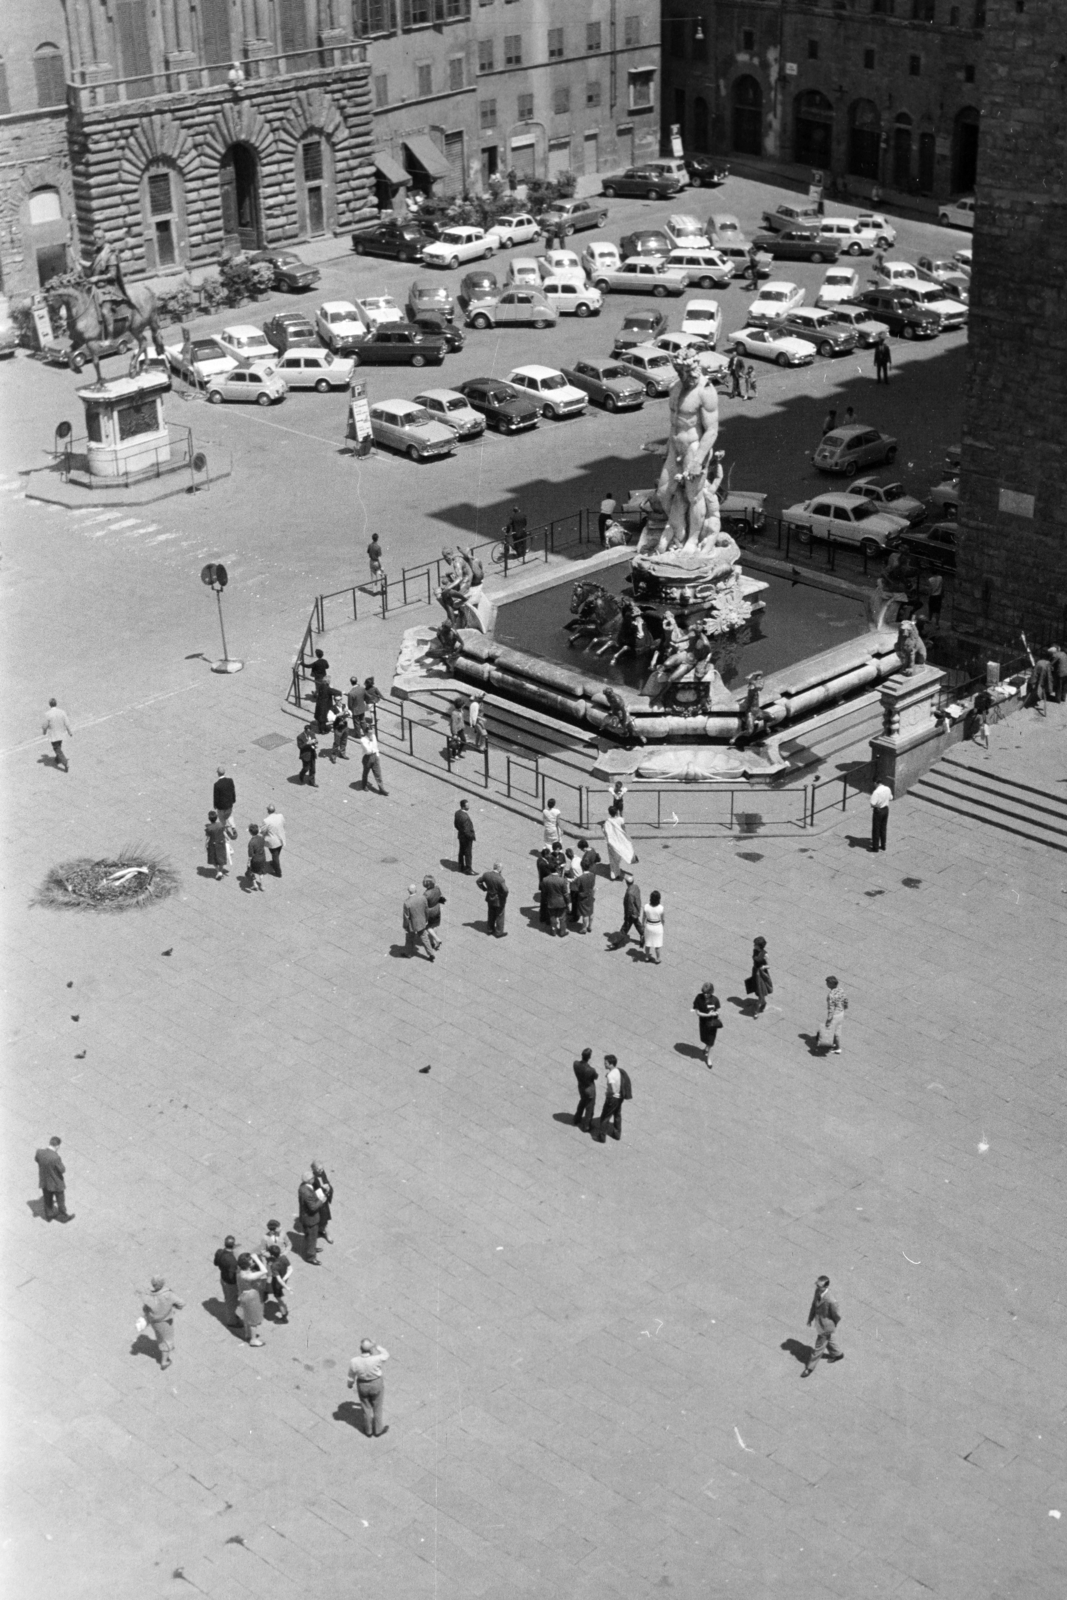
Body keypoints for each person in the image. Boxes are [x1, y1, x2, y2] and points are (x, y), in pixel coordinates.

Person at [347, 1339, 390, 1437]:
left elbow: (351, 1375)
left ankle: (368, 1430)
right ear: (370, 1350)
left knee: (366, 1408)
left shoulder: (354, 1361)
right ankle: (378, 1430)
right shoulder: (376, 1359)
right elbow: (386, 1355)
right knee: (377, 1407)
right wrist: (376, 1346)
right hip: (376, 1383)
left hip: (362, 1385)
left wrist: (350, 1384)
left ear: (360, 1349)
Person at [802, 1275, 843, 1377]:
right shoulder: (818, 1291)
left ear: (825, 1287)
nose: (816, 1286)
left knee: (818, 1348)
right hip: (821, 1323)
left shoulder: (831, 1300)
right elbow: (813, 1305)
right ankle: (837, 1354)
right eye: (816, 1284)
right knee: (829, 1339)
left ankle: (809, 1368)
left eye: (819, 1285)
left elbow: (837, 1315)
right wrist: (810, 1318)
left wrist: (832, 1325)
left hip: (826, 1326)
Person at [142, 1275, 184, 1369]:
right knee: (167, 1340)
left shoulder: (148, 1295)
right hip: (165, 1321)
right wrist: (176, 1307)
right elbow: (181, 1303)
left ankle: (164, 1346)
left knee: (160, 1336)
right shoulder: (168, 1294)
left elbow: (145, 1308)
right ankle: (164, 1361)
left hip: (154, 1321)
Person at [35, 1135, 73, 1222]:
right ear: (57, 1146)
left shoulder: (39, 1152)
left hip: (45, 1181)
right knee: (60, 1200)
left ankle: (49, 1215)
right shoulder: (55, 1157)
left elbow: (37, 1160)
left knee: (47, 1199)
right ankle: (63, 1216)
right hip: (56, 1183)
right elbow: (62, 1170)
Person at [594, 1055, 629, 1143]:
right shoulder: (617, 1070)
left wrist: (607, 1093)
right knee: (617, 1115)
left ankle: (601, 1137)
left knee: (605, 1117)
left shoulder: (610, 1076)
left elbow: (613, 1090)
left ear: (611, 1064)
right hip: (620, 1098)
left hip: (612, 1099)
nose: (604, 1064)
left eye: (606, 1063)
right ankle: (617, 1135)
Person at [236, 1254, 266, 1346]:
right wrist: (257, 1259)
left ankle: (248, 1334)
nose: (253, 1262)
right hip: (251, 1297)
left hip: (243, 1295)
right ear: (248, 1265)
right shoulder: (248, 1276)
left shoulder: (239, 1272)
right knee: (253, 1320)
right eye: (251, 1261)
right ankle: (253, 1340)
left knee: (247, 1316)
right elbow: (264, 1271)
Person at [601, 804, 636, 880]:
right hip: (620, 841)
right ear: (616, 812)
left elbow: (606, 832)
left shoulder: (607, 822)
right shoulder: (620, 820)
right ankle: (617, 871)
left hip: (612, 843)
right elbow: (624, 830)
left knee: (613, 859)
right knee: (618, 856)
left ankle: (615, 874)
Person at [403, 883, 436, 961]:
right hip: (421, 922)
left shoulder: (407, 903)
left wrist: (405, 926)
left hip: (412, 924)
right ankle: (431, 954)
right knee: (425, 938)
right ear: (416, 890)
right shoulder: (422, 898)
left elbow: (406, 917)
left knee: (410, 939)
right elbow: (426, 910)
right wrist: (426, 920)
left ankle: (408, 953)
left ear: (408, 891)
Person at [213, 1235, 241, 1327]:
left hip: (223, 1278)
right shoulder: (232, 1260)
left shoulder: (219, 1252)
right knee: (231, 1301)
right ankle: (232, 1321)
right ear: (233, 1245)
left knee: (228, 1298)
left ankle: (232, 1314)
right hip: (230, 1283)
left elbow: (216, 1263)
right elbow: (231, 1275)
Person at [692, 982, 722, 1067]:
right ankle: (706, 1048)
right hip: (703, 1023)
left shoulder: (715, 1000)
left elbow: (718, 1011)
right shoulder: (698, 998)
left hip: (712, 1024)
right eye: (704, 993)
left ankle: (709, 1059)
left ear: (711, 992)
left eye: (707, 993)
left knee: (711, 1042)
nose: (705, 995)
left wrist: (715, 1013)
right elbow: (697, 1012)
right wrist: (708, 1015)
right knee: (705, 1039)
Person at [610, 872, 643, 949]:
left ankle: (615, 943)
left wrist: (627, 916)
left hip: (631, 914)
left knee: (624, 929)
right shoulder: (636, 887)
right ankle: (643, 935)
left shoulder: (629, 893)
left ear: (626, 882)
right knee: (637, 924)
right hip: (636, 911)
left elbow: (629, 907)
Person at [476, 862, 509, 936]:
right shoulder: (500, 879)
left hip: (490, 898)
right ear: (499, 869)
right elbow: (505, 890)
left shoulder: (486, 875)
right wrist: (503, 896)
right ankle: (499, 932)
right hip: (499, 900)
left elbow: (478, 881)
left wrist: (484, 888)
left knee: (491, 914)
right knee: (500, 915)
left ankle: (490, 929)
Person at [297, 1171, 324, 1263]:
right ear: (309, 1180)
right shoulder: (307, 1193)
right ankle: (311, 1257)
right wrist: (321, 1200)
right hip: (310, 1219)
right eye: (313, 1178)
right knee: (312, 1237)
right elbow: (313, 1208)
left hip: (305, 1217)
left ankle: (311, 1248)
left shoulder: (303, 1186)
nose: (314, 1179)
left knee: (310, 1236)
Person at [819, 976, 848, 1054]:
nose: (826, 984)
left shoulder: (831, 995)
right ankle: (834, 1043)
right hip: (841, 1012)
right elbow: (845, 1000)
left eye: (827, 983)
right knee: (837, 1029)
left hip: (835, 1015)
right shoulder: (841, 990)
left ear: (831, 984)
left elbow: (831, 1008)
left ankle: (837, 1048)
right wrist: (845, 1007)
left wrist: (829, 1018)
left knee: (834, 1032)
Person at [42, 699, 72, 771]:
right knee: (59, 746)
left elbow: (45, 725)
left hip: (54, 734)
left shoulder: (48, 714)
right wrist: (69, 731)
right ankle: (58, 759)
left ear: (50, 705)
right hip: (61, 733)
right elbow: (67, 722)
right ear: (56, 704)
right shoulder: (62, 712)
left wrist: (44, 731)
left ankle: (65, 762)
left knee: (57, 748)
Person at [263, 1244, 291, 1323]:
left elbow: (274, 1279)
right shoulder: (284, 1258)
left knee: (279, 1300)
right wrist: (285, 1279)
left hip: (277, 1284)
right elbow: (290, 1269)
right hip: (283, 1279)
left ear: (272, 1255)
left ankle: (284, 1317)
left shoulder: (274, 1266)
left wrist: (286, 1287)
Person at [540, 864, 570, 937]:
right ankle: (562, 932)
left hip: (551, 902)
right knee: (562, 917)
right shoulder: (562, 880)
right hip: (561, 902)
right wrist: (568, 902)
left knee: (552, 917)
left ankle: (553, 931)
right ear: (557, 869)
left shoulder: (545, 879)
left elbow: (544, 892)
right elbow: (565, 893)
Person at [573, 1048, 598, 1132]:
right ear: (589, 1057)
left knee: (582, 1102)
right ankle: (586, 1126)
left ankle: (577, 1118)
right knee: (589, 1108)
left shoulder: (575, 1064)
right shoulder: (591, 1070)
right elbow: (596, 1076)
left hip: (581, 1087)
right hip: (589, 1090)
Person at [359, 725, 388, 794]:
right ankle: (364, 785)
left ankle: (381, 788)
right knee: (366, 772)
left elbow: (376, 746)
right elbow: (368, 751)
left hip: (375, 756)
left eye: (372, 732)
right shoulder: (363, 740)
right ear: (366, 733)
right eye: (369, 733)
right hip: (367, 757)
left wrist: (377, 754)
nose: (371, 734)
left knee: (378, 773)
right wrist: (371, 742)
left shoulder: (373, 736)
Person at [311, 1160, 334, 1243]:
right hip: (319, 1201)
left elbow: (326, 1180)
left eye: (322, 1169)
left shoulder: (322, 1173)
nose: (321, 1171)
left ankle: (321, 1229)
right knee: (323, 1217)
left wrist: (328, 1187)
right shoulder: (312, 1179)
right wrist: (322, 1187)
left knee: (323, 1217)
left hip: (324, 1199)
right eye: (319, 1169)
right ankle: (326, 1233)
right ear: (314, 1169)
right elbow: (313, 1192)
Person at [748, 936, 772, 1015]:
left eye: (755, 944)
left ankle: (757, 1008)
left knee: (760, 989)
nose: (754, 945)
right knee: (757, 988)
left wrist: (763, 967)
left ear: (760, 946)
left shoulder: (765, 954)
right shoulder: (754, 950)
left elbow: (769, 966)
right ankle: (763, 1001)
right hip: (755, 971)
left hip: (761, 974)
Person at [422, 874, 445, 950]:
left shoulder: (426, 894)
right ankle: (432, 942)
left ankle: (437, 939)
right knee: (434, 926)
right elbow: (440, 896)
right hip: (437, 908)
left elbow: (424, 903)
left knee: (427, 927)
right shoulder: (437, 888)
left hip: (430, 911)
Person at [261, 804, 285, 876]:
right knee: (277, 853)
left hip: (273, 842)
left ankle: (278, 872)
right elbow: (283, 824)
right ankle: (274, 862)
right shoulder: (280, 816)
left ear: (268, 811)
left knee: (275, 855)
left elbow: (263, 831)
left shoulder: (266, 821)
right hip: (281, 839)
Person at [205, 810, 229, 880]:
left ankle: (218, 871)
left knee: (213, 859)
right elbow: (224, 833)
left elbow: (208, 838)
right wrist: (227, 839)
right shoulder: (220, 824)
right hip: (221, 843)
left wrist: (205, 845)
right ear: (216, 818)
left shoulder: (209, 828)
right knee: (221, 858)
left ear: (209, 819)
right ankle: (220, 871)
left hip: (212, 845)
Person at [642, 890, 665, 963]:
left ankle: (646, 957)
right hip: (657, 926)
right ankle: (658, 958)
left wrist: (643, 925)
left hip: (649, 926)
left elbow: (643, 917)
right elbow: (663, 919)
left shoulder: (646, 907)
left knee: (648, 943)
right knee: (657, 945)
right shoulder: (661, 908)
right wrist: (662, 926)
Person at [870, 780, 892, 852]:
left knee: (876, 829)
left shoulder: (876, 792)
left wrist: (877, 805)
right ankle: (883, 845)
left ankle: (875, 847)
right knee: (883, 828)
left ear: (876, 783)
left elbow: (872, 803)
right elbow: (891, 797)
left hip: (878, 811)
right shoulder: (887, 789)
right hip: (886, 809)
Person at [454, 797, 475, 873]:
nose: (469, 806)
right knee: (468, 853)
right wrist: (471, 836)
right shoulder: (465, 817)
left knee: (461, 851)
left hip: (461, 836)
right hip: (466, 838)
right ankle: (469, 869)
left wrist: (460, 831)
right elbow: (466, 830)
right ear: (463, 806)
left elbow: (456, 825)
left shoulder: (457, 813)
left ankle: (461, 866)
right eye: (467, 805)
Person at [573, 867, 596, 934]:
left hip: (583, 898)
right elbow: (593, 884)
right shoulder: (592, 874)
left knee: (585, 914)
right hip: (590, 895)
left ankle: (584, 928)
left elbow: (576, 887)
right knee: (591, 912)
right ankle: (590, 926)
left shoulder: (581, 878)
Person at [246, 824, 268, 890]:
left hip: (255, 859)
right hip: (262, 857)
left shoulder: (251, 842)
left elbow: (250, 854)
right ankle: (262, 885)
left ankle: (255, 884)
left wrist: (248, 862)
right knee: (261, 871)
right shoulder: (261, 838)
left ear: (250, 832)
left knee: (251, 870)